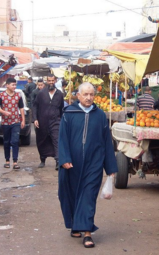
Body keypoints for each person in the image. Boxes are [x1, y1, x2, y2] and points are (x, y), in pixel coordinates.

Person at [58, 82, 118, 248]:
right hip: (72, 163)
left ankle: (87, 232)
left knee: (88, 196)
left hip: (94, 163)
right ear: (78, 96)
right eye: (85, 94)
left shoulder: (100, 116)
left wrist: (111, 167)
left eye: (91, 94)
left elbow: (107, 142)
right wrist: (64, 159)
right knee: (70, 195)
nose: (89, 97)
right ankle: (74, 224)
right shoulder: (68, 114)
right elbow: (62, 138)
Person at [32, 74, 64, 169]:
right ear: (47, 81)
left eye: (52, 80)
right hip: (42, 122)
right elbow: (35, 106)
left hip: (55, 121)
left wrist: (62, 121)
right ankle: (42, 159)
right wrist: (35, 119)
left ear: (55, 80)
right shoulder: (41, 93)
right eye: (49, 80)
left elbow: (62, 108)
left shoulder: (59, 94)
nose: (50, 82)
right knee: (42, 141)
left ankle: (58, 161)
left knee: (57, 140)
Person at [0, 78, 25, 170]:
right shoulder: (1, 96)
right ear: (7, 85)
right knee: (6, 141)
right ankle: (7, 161)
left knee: (15, 141)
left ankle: (15, 162)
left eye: (15, 85)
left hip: (16, 121)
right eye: (12, 85)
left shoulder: (18, 96)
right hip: (5, 122)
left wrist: (23, 120)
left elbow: (21, 108)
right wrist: (4, 112)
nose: (14, 87)